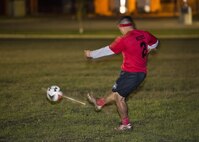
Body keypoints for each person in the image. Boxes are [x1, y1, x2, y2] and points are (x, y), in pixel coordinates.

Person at [84, 16, 159, 131]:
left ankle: (125, 125)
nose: (120, 31)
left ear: (122, 27)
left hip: (131, 74)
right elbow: (156, 42)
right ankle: (100, 102)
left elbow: (108, 50)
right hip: (140, 72)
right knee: (116, 93)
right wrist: (149, 47)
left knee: (119, 98)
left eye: (120, 29)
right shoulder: (145, 34)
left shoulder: (124, 39)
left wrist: (91, 54)